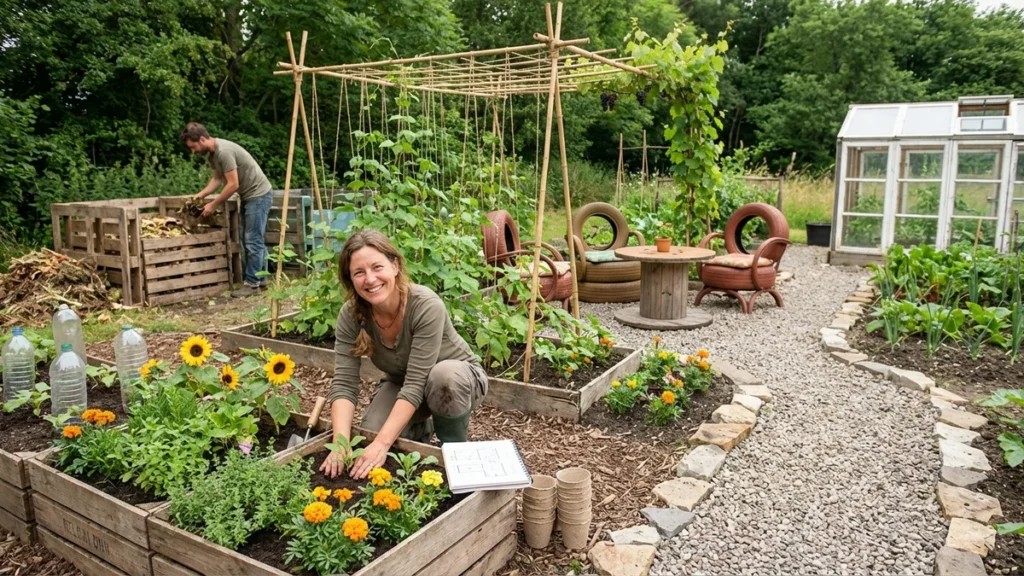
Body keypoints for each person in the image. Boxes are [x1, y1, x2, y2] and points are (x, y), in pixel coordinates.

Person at [322, 229, 488, 479]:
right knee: (371, 433)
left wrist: (382, 444)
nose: (370, 279)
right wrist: (341, 444)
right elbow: (344, 383)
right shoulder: (351, 315)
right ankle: (423, 425)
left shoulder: (425, 305)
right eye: (359, 272)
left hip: (458, 381)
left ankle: (454, 453)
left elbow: (416, 383)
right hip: (403, 383)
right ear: (350, 279)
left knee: (444, 377)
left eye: (377, 267)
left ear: (395, 265)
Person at [180, 122, 273, 298]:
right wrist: (199, 196)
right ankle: (262, 279)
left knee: (252, 240)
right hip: (249, 195)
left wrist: (213, 205)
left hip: (258, 194)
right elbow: (217, 180)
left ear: (202, 139)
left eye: (193, 147)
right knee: (252, 238)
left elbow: (233, 184)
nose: (193, 151)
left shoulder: (224, 152)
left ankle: (252, 284)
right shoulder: (212, 156)